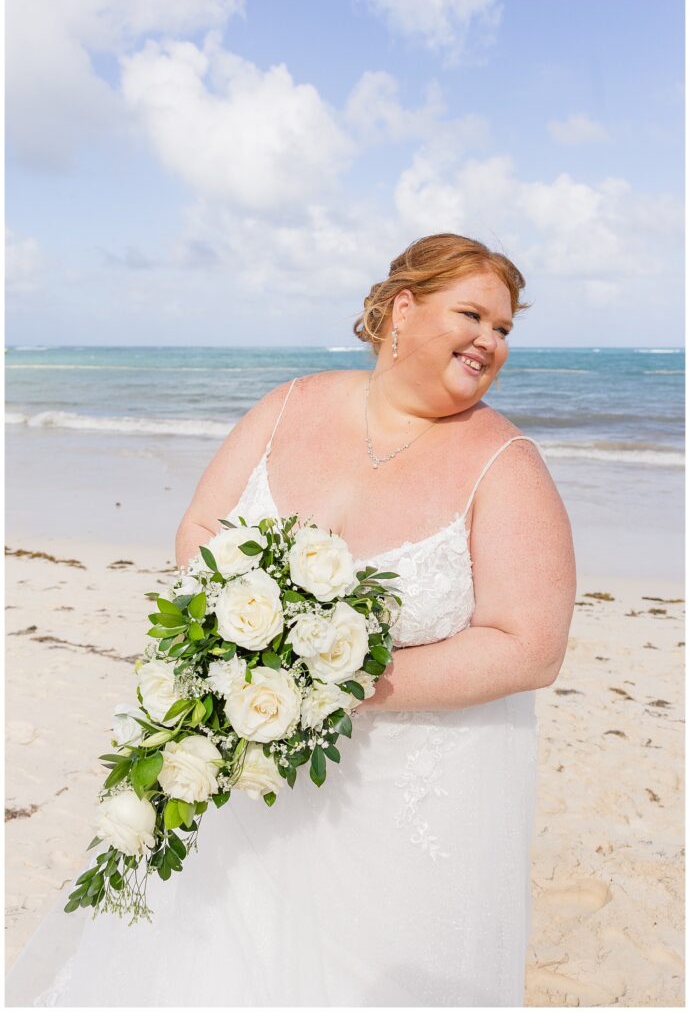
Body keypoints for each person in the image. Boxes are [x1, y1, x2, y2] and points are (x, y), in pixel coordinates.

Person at [6, 232, 576, 1007]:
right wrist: (234, 649)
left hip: (403, 809)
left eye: (505, 329)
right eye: (473, 314)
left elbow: (530, 648)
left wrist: (329, 682)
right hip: (246, 778)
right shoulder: (291, 404)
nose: (491, 341)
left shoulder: (504, 462)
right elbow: (202, 528)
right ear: (403, 309)